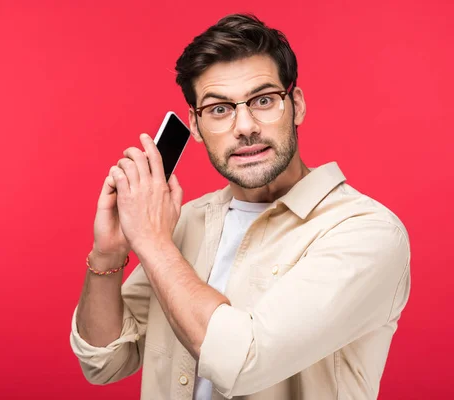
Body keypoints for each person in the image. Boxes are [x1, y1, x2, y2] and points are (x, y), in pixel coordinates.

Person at [69, 13, 411, 400]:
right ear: (195, 127)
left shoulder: (365, 231)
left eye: (264, 100)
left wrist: (151, 242)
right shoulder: (184, 223)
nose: (245, 125)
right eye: (219, 109)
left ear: (295, 105)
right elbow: (104, 363)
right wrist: (108, 256)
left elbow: (243, 361)